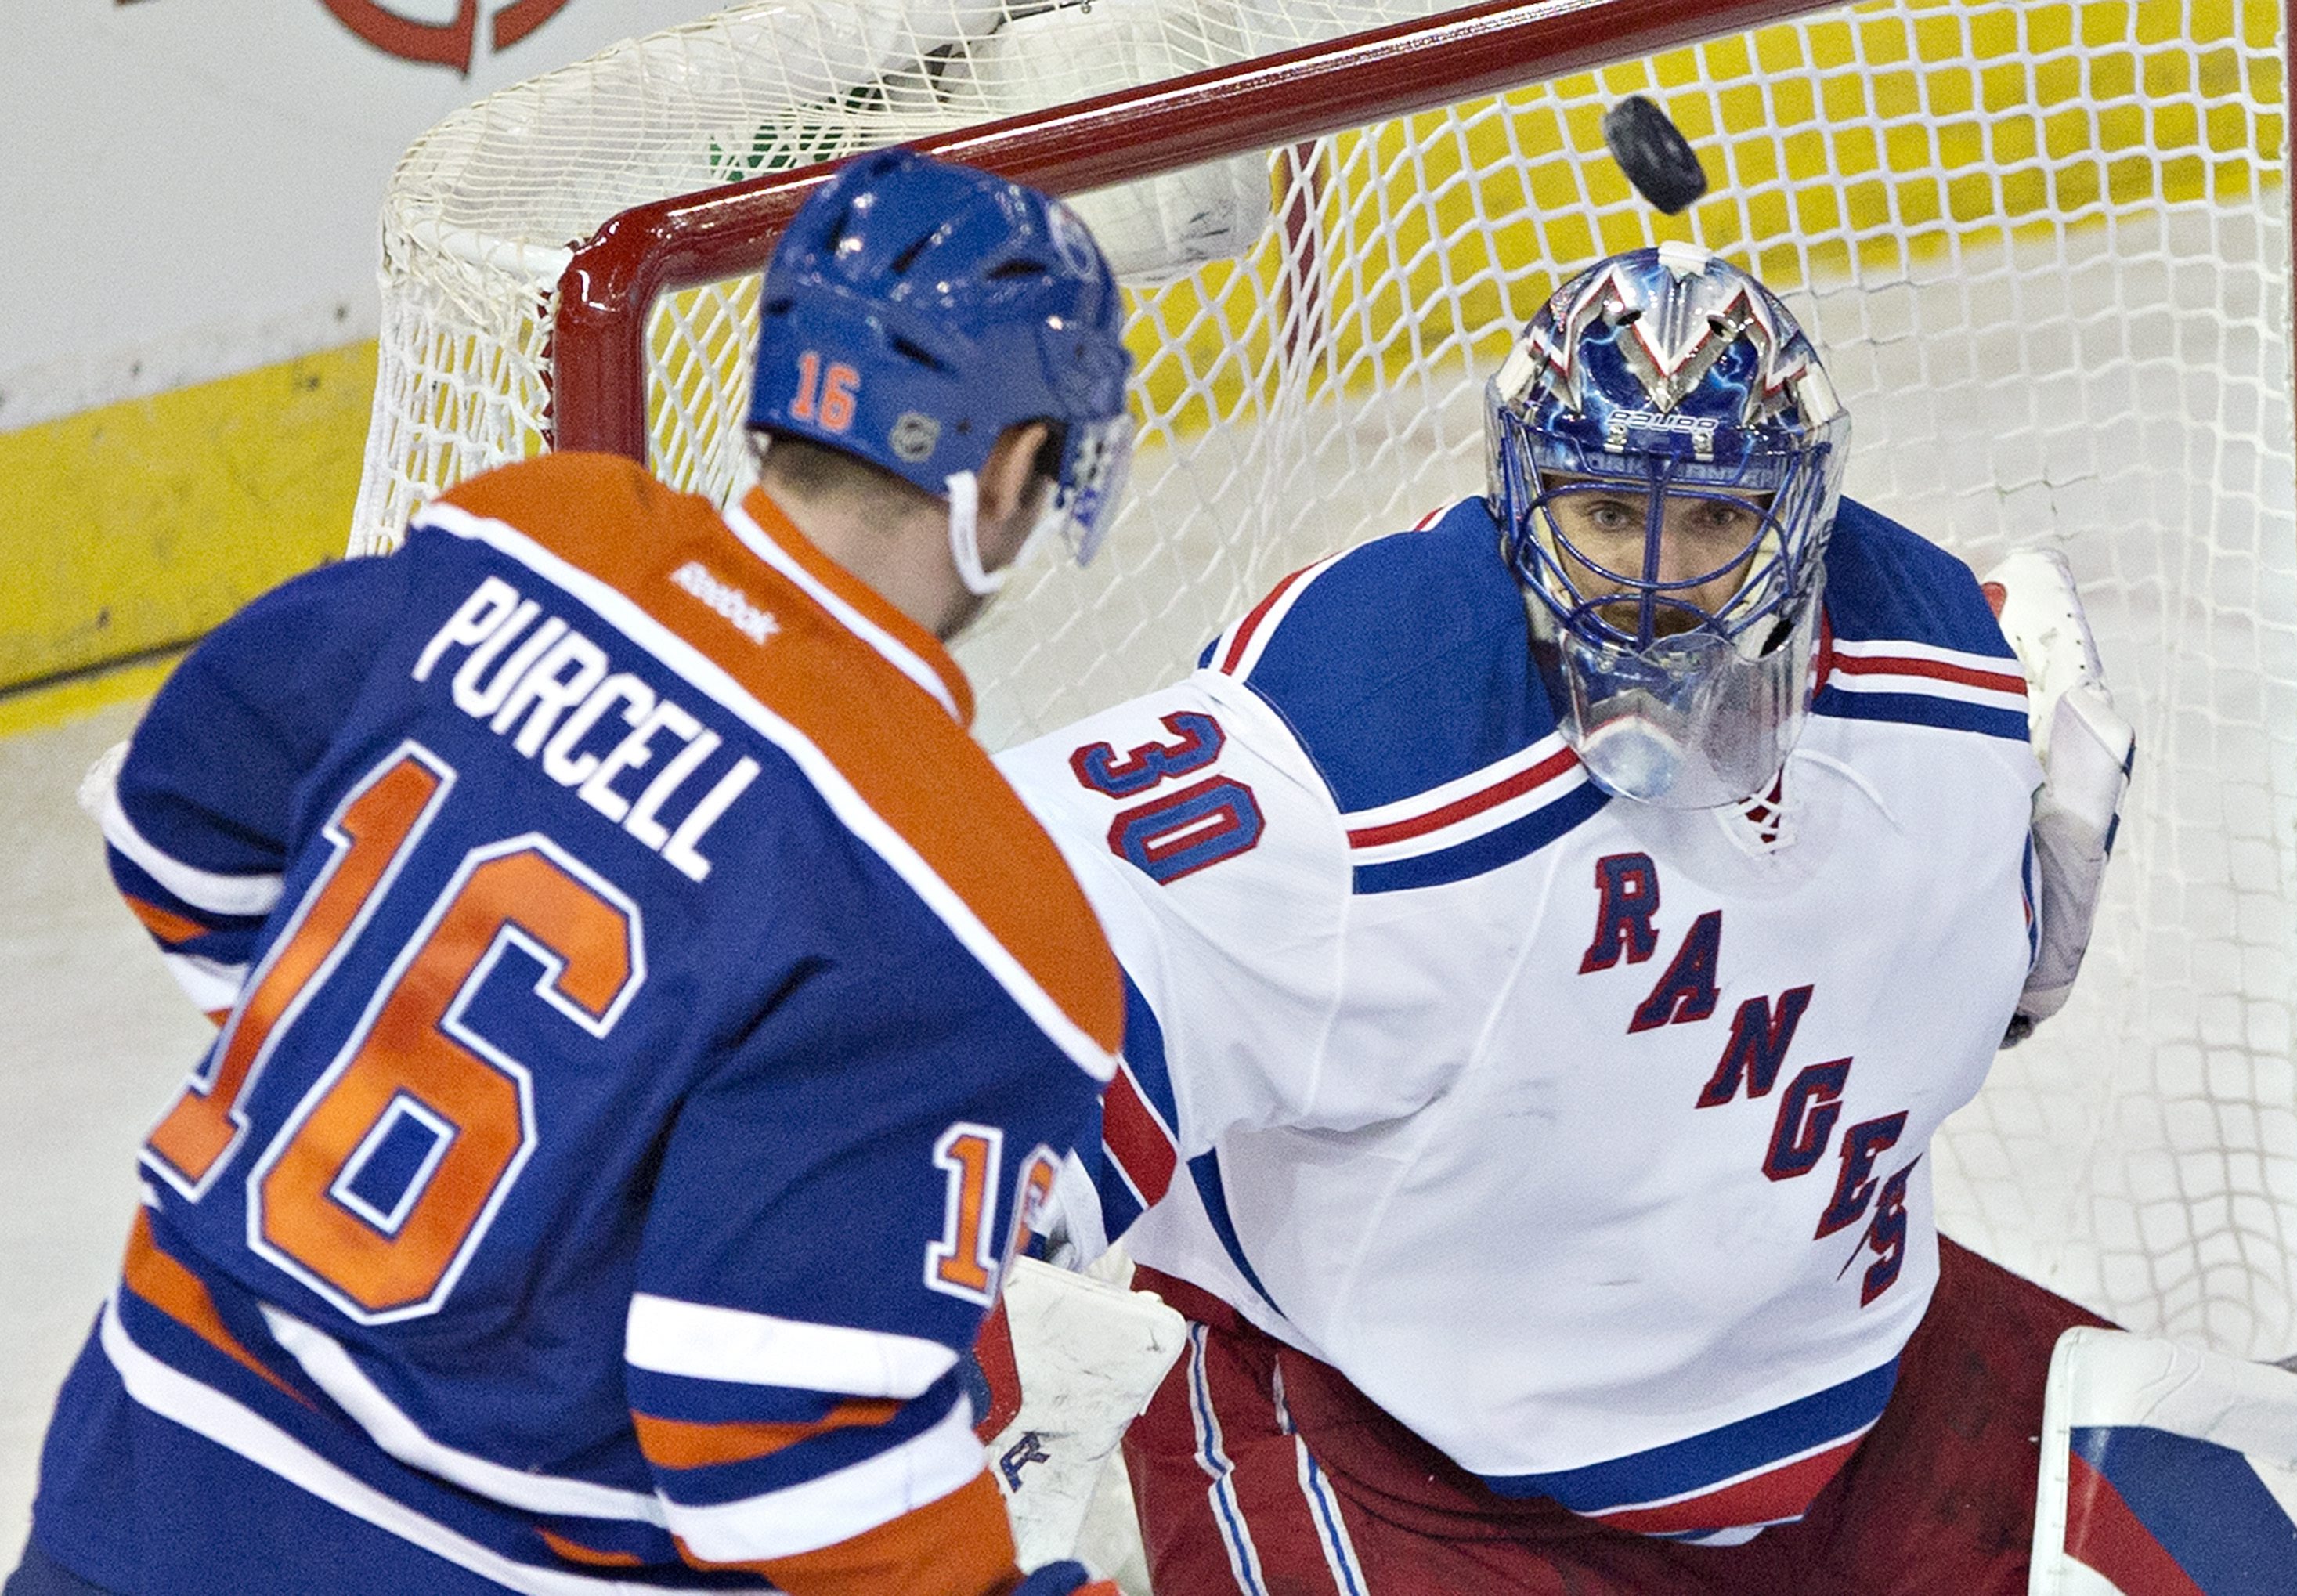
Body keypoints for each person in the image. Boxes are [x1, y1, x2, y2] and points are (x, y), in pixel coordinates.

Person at [7, 147, 1138, 1596]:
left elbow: (175, 820)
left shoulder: (531, 535)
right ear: (1013, 467)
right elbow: (775, 1450)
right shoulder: (974, 901)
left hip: (139, 1467)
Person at [995, 240, 2134, 1592]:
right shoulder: (1353, 743)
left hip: (1858, 1416)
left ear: (1804, 517)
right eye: (1604, 510)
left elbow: (1958, 912)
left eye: (1714, 518)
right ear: (1521, 497)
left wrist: (1997, 956)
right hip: (1399, 1470)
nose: (1654, 576)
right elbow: (971, 997)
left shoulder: (1941, 672)